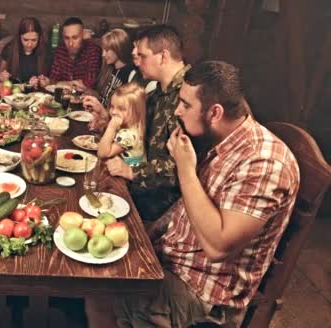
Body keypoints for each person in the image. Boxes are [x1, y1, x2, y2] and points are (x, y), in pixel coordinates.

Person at [86, 60, 300, 328]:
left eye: (186, 104)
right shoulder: (222, 140)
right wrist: (144, 236)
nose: (177, 111)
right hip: (172, 259)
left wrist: (185, 169)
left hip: (201, 295)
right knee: (95, 259)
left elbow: (218, 247)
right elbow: (185, 211)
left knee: (98, 292)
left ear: (215, 112)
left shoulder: (264, 163)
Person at [104, 24, 191, 221]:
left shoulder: (188, 96)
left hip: (160, 208)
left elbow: (183, 166)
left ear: (163, 56)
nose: (136, 62)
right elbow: (135, 128)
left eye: (142, 56)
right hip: (139, 190)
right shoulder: (159, 92)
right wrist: (107, 119)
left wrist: (131, 171)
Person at [38, 17, 101, 90]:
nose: (70, 43)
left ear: (83, 35)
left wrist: (59, 83)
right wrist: (48, 82)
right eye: (67, 38)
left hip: (85, 99)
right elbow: (54, 79)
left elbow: (90, 83)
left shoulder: (93, 50)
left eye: (75, 38)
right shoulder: (60, 50)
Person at [96, 83, 146, 167]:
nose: (114, 112)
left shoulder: (128, 135)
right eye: (112, 106)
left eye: (121, 109)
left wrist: (111, 127)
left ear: (137, 112)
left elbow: (102, 153)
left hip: (122, 179)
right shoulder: (131, 126)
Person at [0, 17, 50, 84]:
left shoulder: (45, 51)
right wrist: (2, 78)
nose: (29, 44)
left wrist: (45, 81)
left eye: (34, 40)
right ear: (19, 37)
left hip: (37, 93)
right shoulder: (9, 49)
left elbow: (51, 81)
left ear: (39, 38)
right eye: (25, 40)